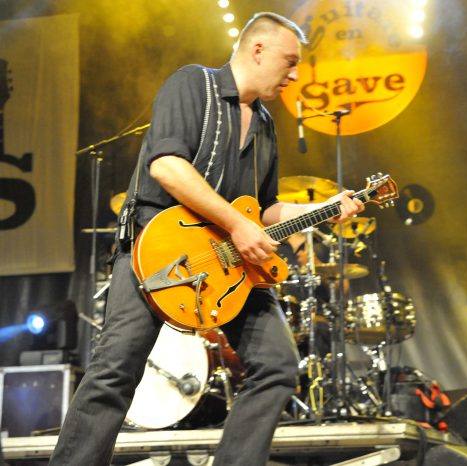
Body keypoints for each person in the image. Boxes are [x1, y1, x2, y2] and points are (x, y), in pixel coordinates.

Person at [49, 12, 363, 466]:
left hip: (230, 262)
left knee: (277, 365)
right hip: (160, 250)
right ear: (258, 49)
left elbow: (264, 209)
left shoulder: (264, 125)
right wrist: (237, 224)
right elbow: (166, 166)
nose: (295, 75)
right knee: (116, 371)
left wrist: (325, 209)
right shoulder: (194, 83)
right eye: (290, 61)